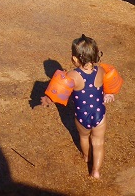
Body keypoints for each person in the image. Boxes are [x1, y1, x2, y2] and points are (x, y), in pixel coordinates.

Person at [38, 34, 115, 179]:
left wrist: (46, 100)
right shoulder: (101, 71)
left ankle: (86, 157)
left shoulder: (72, 76)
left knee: (84, 137)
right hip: (100, 113)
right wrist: (108, 94)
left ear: (74, 59)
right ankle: (96, 172)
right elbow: (107, 84)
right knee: (98, 143)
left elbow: (57, 94)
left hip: (82, 115)